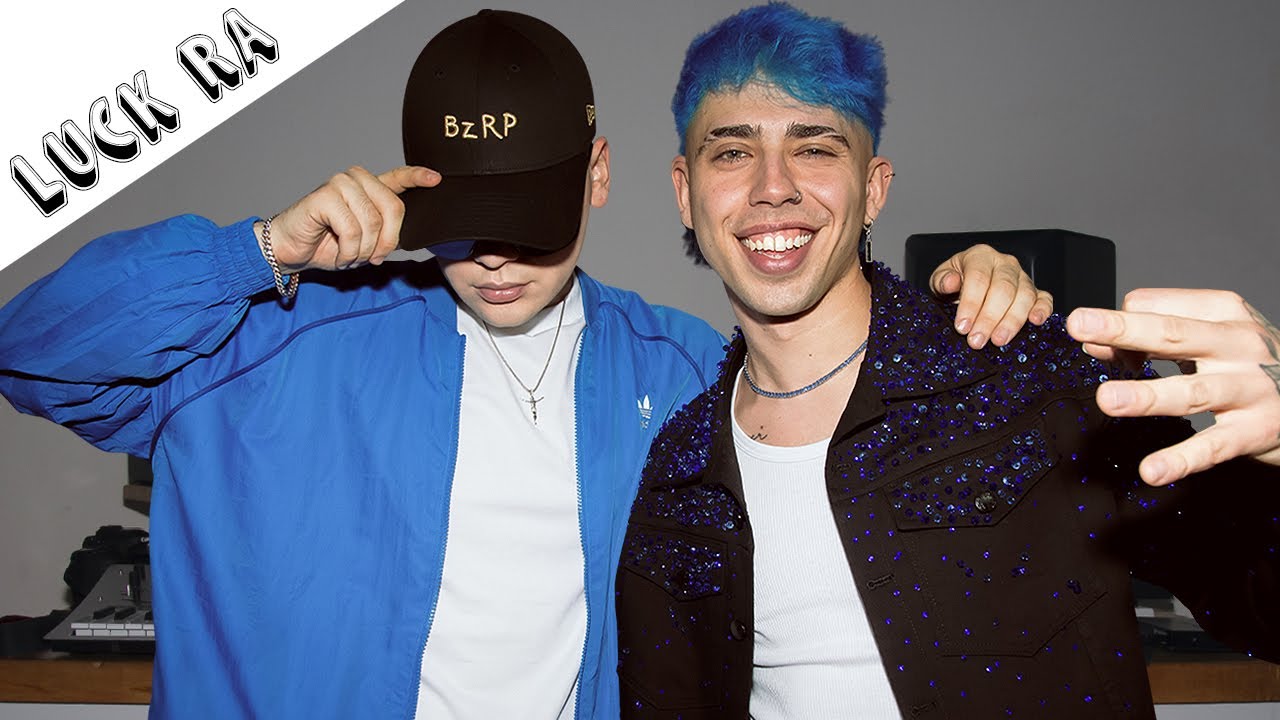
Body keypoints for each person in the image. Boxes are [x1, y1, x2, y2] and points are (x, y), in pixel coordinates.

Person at [0, 9, 1047, 720]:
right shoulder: (266, 341)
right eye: (465, 218)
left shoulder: (685, 374)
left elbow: (841, 417)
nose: (496, 257)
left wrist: (962, 302)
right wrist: (257, 251)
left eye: (527, 216)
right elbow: (32, 356)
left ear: (598, 177)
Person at [615, 4, 1280, 719]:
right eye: (732, 152)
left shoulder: (1033, 379)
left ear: (873, 188)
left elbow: (1261, 603)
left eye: (815, 149)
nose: (773, 186)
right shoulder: (678, 472)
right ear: (686, 192)